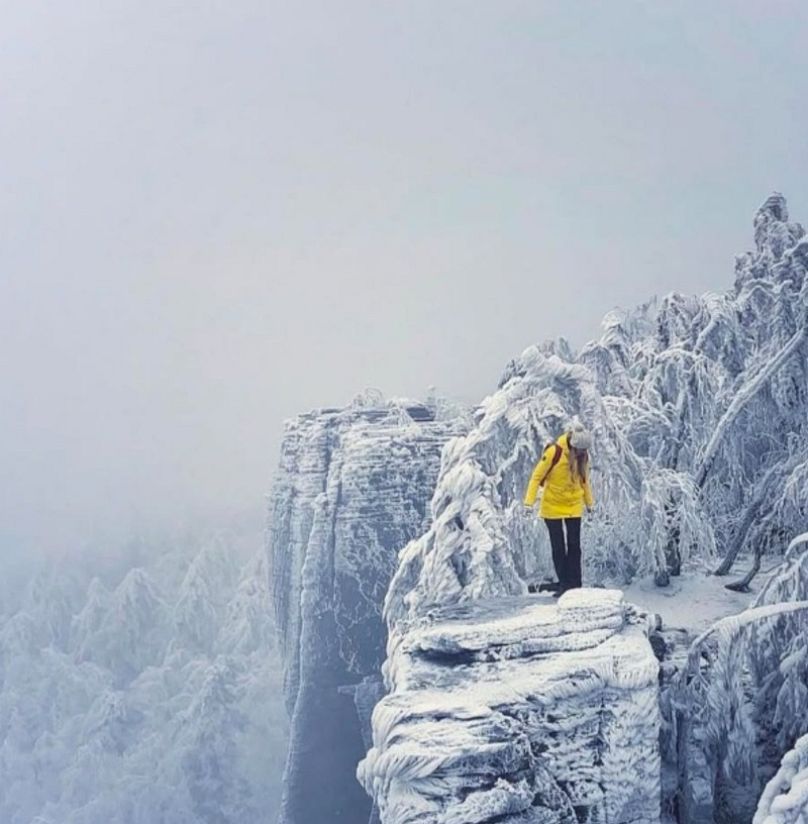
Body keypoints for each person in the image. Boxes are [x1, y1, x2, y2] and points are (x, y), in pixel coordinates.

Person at [523, 425, 594, 595]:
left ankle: (575, 584)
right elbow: (536, 477)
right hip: (552, 505)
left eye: (585, 450)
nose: (582, 453)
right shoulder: (554, 452)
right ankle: (564, 584)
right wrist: (529, 503)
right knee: (558, 546)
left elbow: (584, 481)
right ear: (573, 445)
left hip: (574, 504)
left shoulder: (583, 456)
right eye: (580, 450)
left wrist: (590, 504)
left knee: (575, 545)